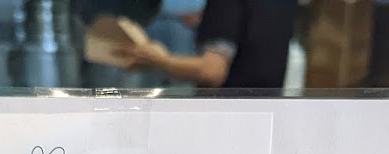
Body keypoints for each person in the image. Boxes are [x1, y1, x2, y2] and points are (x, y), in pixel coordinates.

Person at [123, 0, 298, 89]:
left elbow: (212, 71)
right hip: (264, 118)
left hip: (227, 120)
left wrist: (159, 59)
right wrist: (209, 20)